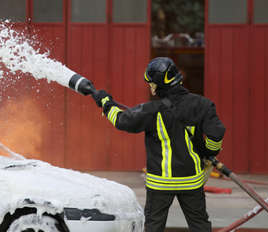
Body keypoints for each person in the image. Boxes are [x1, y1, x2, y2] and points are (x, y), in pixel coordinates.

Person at [91, 57, 225, 232]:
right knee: (200, 226)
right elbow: (216, 134)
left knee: (154, 227)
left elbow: (122, 120)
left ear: (159, 84)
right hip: (191, 181)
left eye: (151, 83)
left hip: (160, 184)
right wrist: (209, 154)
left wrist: (106, 104)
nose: (150, 87)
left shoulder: (151, 110)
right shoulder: (203, 104)